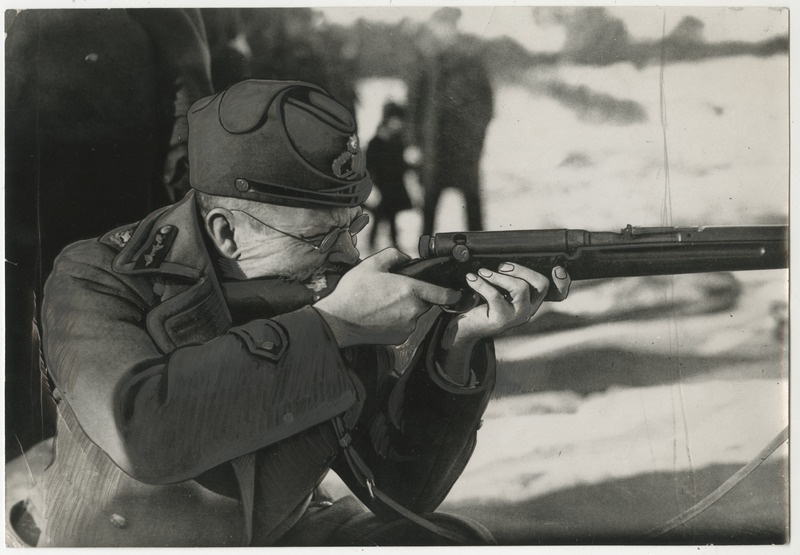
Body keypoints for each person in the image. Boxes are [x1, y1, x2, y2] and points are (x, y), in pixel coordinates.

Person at [20, 80, 569, 547]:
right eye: (319, 237)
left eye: (352, 227)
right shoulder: (96, 277)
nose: (349, 256)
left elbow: (404, 487)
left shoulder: (317, 284)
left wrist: (458, 343)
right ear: (226, 234)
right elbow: (144, 431)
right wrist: (333, 327)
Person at [5, 8, 214, 462]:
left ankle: (121, 446)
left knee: (112, 297)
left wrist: (187, 145)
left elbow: (186, 59)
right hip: (25, 157)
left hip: (112, 161)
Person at [406, 7, 494, 235]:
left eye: (450, 25)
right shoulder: (427, 62)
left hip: (465, 148)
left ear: (456, 27)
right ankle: (425, 255)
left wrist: (476, 136)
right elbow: (414, 105)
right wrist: (413, 142)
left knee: (472, 206)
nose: (446, 31)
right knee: (429, 207)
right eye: (441, 25)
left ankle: (480, 255)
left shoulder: (471, 61)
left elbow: (487, 103)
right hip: (434, 148)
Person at [366, 102, 413, 248]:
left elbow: (400, 163)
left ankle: (380, 242)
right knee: (384, 214)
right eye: (395, 121)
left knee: (388, 215)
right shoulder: (376, 141)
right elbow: (369, 164)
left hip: (394, 184)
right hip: (382, 184)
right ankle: (377, 243)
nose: (398, 125)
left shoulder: (398, 140)